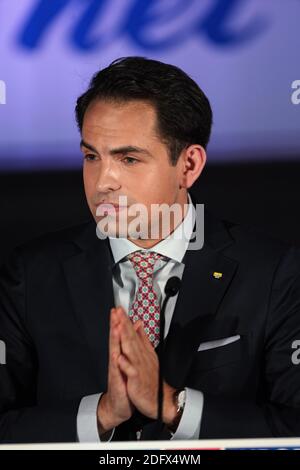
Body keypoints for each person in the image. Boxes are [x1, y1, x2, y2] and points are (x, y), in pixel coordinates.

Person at [1, 57, 300, 444]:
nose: (103, 181)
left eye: (128, 159)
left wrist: (171, 405)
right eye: (92, 156)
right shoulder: (28, 275)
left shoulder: (275, 272)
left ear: (188, 165)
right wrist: (102, 414)